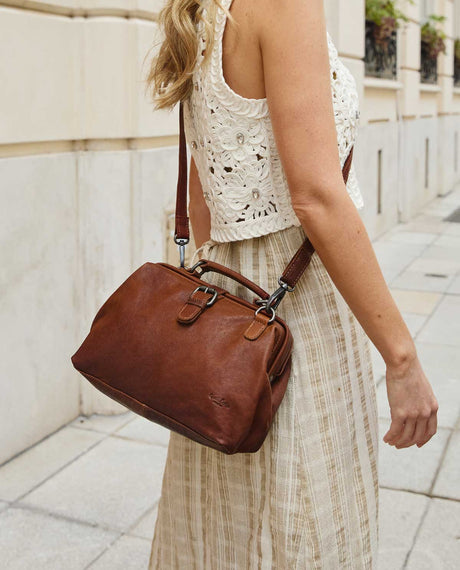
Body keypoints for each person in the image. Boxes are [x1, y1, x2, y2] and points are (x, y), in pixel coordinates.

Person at [146, 1, 439, 567]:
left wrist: (214, 325)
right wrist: (402, 359)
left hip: (229, 306)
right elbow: (317, 197)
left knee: (224, 526)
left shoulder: (206, 10)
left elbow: (203, 196)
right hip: (297, 314)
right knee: (306, 516)